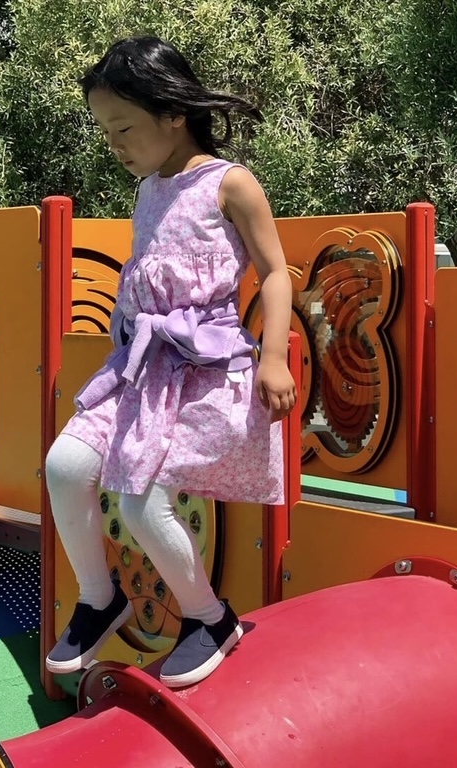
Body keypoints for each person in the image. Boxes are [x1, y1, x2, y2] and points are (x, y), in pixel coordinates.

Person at [44, 35, 296, 689]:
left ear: (173, 113)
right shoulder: (150, 188)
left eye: (123, 127)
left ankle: (209, 618)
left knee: (140, 504)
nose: (115, 144)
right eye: (106, 132)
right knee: (66, 465)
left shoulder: (229, 182)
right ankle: (100, 598)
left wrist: (273, 356)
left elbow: (274, 273)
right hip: (140, 365)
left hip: (201, 370)